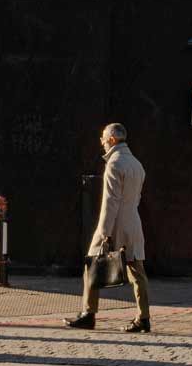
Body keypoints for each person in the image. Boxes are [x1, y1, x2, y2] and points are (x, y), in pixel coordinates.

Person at [64, 122, 151, 332]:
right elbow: (136, 198)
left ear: (112, 139)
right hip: (133, 221)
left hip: (115, 222)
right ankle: (143, 318)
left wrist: (104, 233)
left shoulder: (114, 164)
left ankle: (88, 314)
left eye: (103, 137)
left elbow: (110, 202)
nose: (101, 141)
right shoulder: (136, 164)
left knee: (92, 265)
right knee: (136, 270)